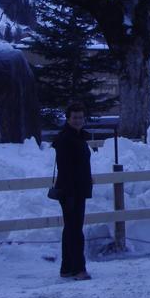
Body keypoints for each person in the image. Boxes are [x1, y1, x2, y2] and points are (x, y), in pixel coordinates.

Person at [52, 102, 93, 280]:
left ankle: (67, 268)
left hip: (77, 189)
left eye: (80, 117)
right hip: (71, 191)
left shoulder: (77, 137)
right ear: (68, 119)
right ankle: (78, 269)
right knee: (75, 230)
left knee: (70, 229)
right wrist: (69, 192)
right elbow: (65, 168)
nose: (78, 120)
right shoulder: (66, 139)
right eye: (74, 117)